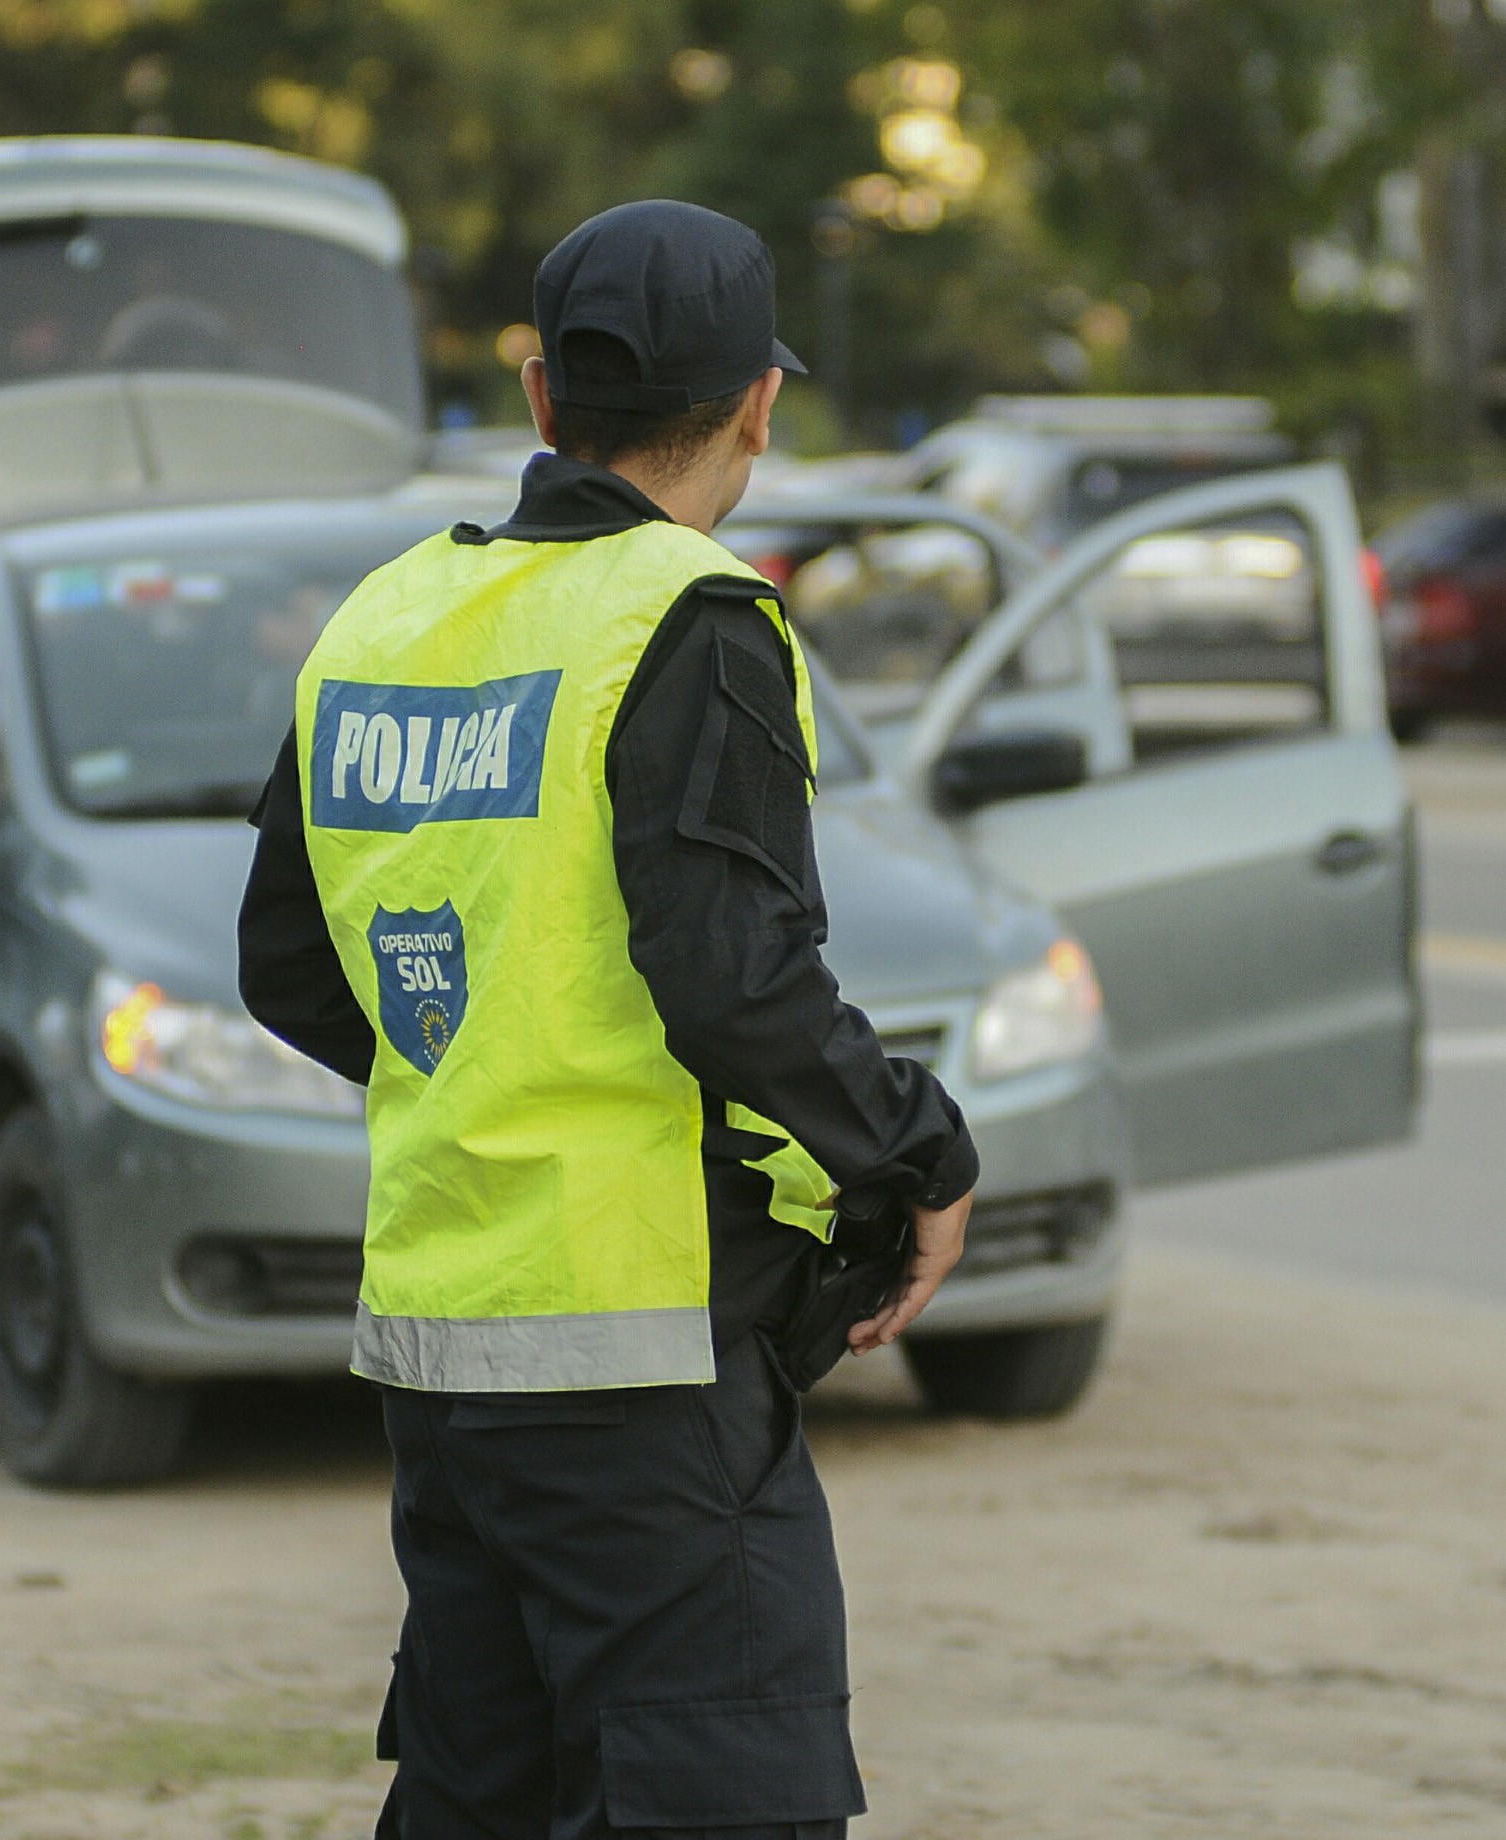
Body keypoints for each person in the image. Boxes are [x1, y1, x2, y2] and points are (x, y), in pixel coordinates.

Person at [237, 201, 980, 1838]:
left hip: (442, 1356)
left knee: (481, 1796)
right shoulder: (690, 614)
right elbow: (737, 981)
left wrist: (484, 1054)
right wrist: (920, 1153)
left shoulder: (380, 621)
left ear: (539, 401)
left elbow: (288, 968)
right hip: (647, 1355)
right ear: (759, 407)